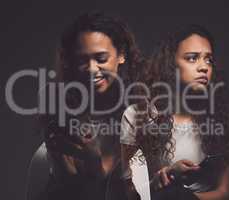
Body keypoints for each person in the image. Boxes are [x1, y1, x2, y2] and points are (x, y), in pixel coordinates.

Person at [27, 11, 144, 200]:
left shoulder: (138, 111)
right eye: (82, 60)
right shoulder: (58, 106)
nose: (91, 69)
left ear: (121, 54)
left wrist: (94, 162)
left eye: (101, 58)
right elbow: (65, 181)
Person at [120, 25, 229, 200]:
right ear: (171, 64)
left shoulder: (223, 119)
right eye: (192, 58)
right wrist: (159, 182)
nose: (204, 67)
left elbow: (224, 192)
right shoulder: (139, 116)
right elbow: (126, 193)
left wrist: (184, 197)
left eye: (209, 60)